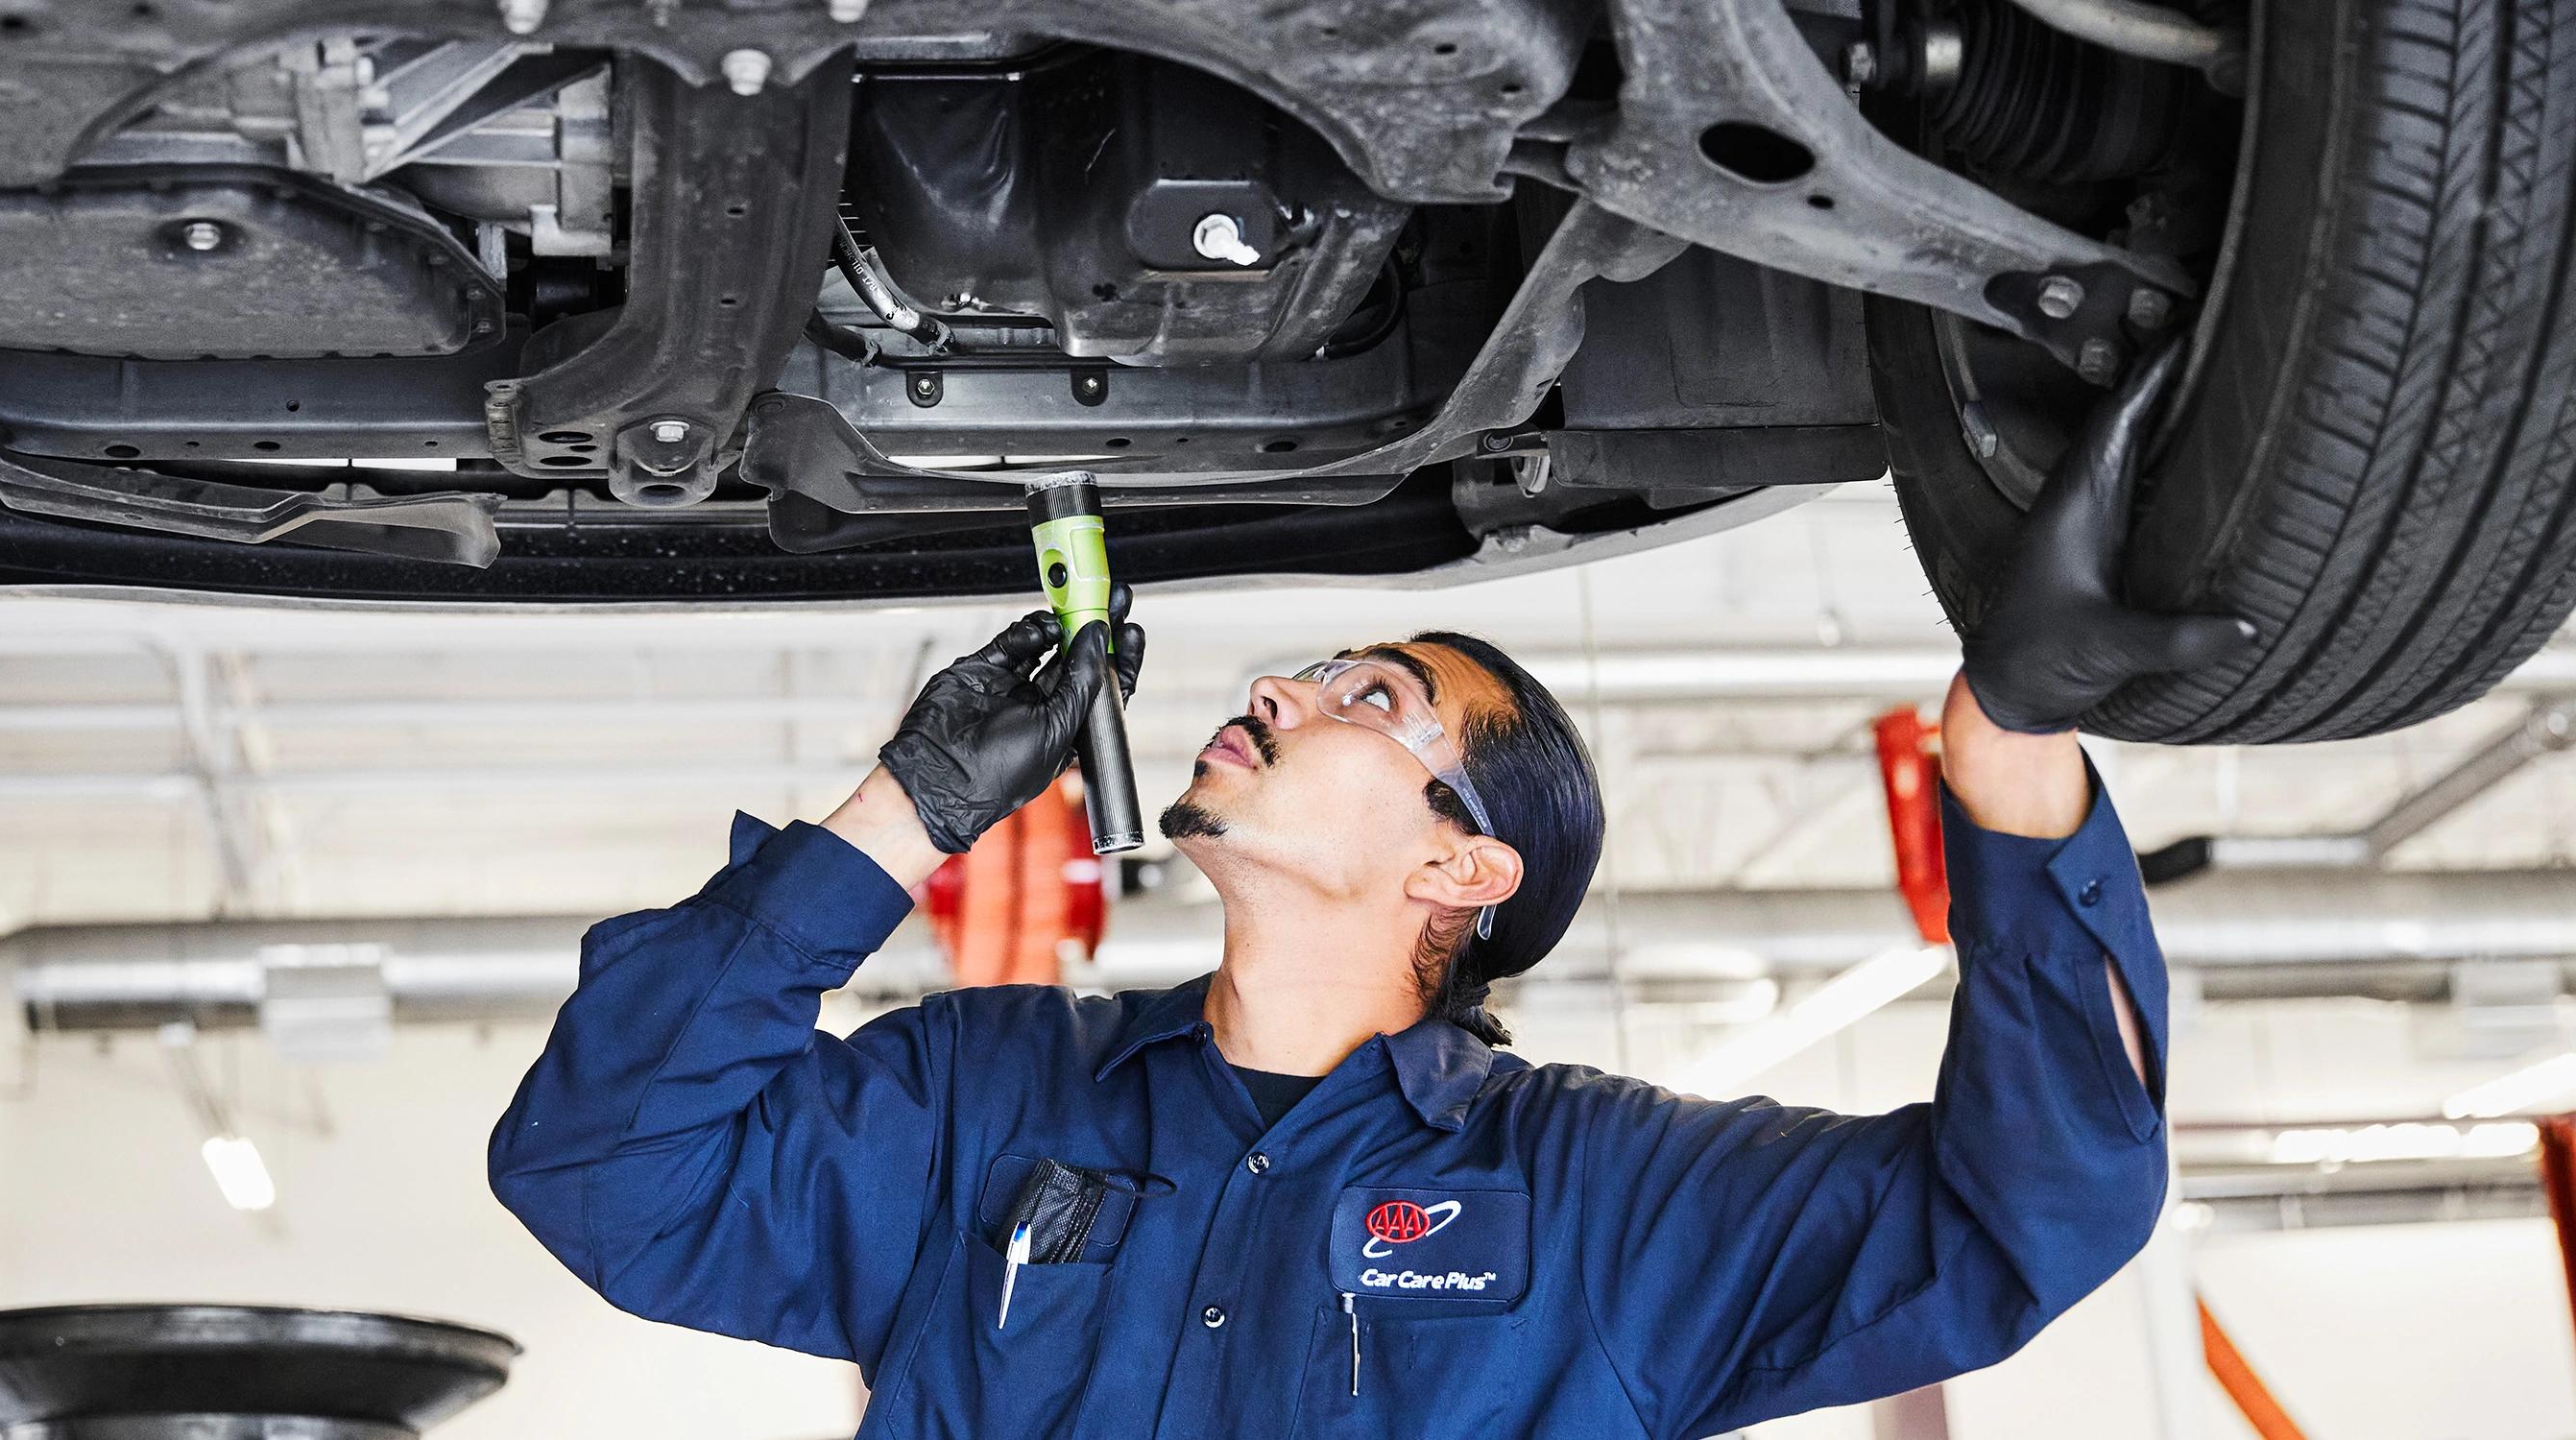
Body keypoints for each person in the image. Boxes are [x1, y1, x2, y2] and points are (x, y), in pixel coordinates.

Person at [489, 343, 2250, 1438]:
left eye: (1367, 698)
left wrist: (2010, 748)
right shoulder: (977, 1103)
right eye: (1314, 675)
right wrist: (903, 812)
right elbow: (601, 1172)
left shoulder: (1603, 1200)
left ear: (1462, 866)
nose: (1277, 691)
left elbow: (2031, 1216)